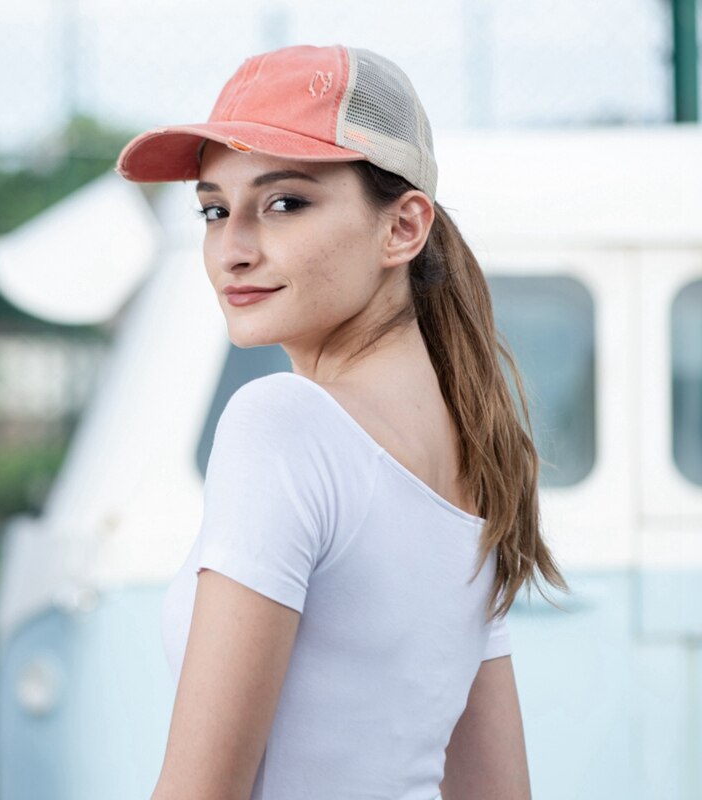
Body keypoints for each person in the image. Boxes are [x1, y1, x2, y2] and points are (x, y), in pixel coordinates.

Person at [116, 43, 567, 800]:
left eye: (285, 202)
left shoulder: (284, 425)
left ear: (403, 227)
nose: (233, 249)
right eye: (214, 209)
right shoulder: (474, 463)